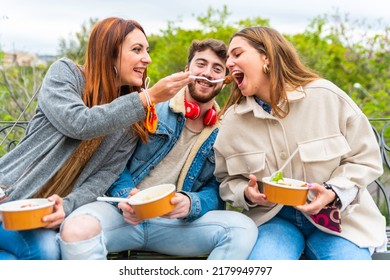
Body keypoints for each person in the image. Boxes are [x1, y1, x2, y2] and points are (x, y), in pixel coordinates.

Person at [0, 17, 191, 260]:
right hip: (7, 197)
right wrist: (147, 98)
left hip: (41, 215)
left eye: (147, 50)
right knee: (43, 252)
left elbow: (102, 178)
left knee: (39, 252)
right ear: (108, 52)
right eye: (137, 50)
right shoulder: (66, 74)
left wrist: (66, 206)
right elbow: (79, 123)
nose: (148, 59)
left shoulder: (132, 119)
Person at [58, 39, 258, 260]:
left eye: (217, 69)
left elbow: (217, 191)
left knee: (243, 229)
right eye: (201, 64)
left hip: (178, 228)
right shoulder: (150, 110)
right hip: (124, 216)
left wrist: (192, 203)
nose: (208, 73)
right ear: (187, 70)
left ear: (224, 81)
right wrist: (127, 197)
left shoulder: (225, 131)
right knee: (76, 229)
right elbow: (115, 165)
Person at [213, 26, 387, 260]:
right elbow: (227, 180)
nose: (229, 63)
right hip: (272, 221)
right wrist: (246, 193)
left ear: (267, 56)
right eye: (228, 58)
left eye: (237, 54)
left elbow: (364, 158)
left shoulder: (326, 96)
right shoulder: (232, 121)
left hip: (340, 220)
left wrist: (333, 192)